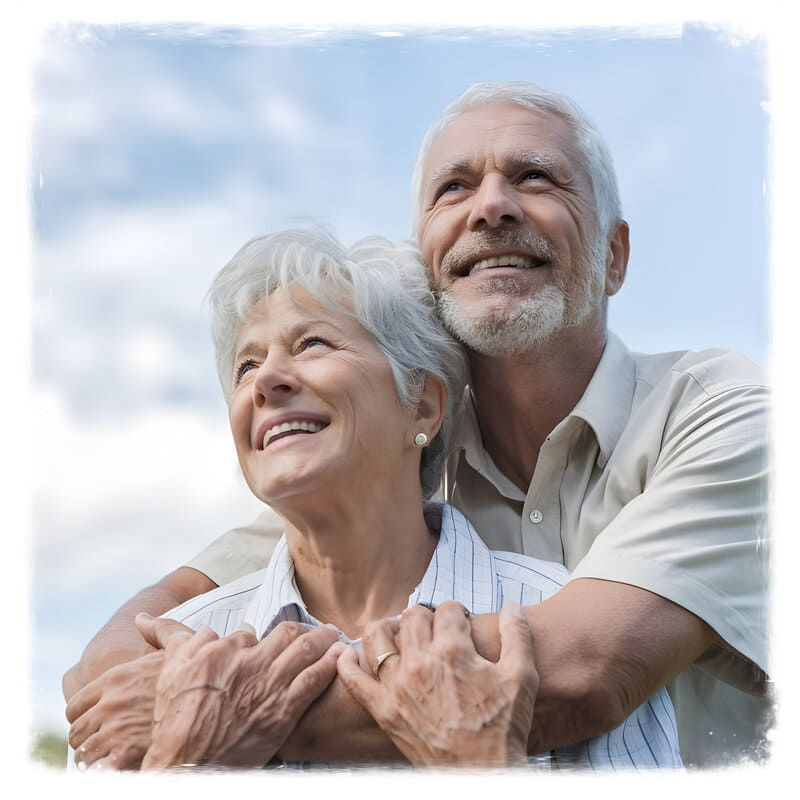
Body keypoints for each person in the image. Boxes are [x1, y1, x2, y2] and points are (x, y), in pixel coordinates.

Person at [64, 82, 770, 769]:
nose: (491, 206)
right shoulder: (379, 460)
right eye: (453, 188)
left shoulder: (719, 411)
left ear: (614, 256)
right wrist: (119, 672)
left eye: (535, 177)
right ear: (426, 268)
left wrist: (211, 711)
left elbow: (585, 670)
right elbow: (180, 600)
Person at [66, 229, 681, 771]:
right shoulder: (156, 665)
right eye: (246, 365)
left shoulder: (553, 609)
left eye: (312, 344)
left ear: (423, 405)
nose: (265, 382)